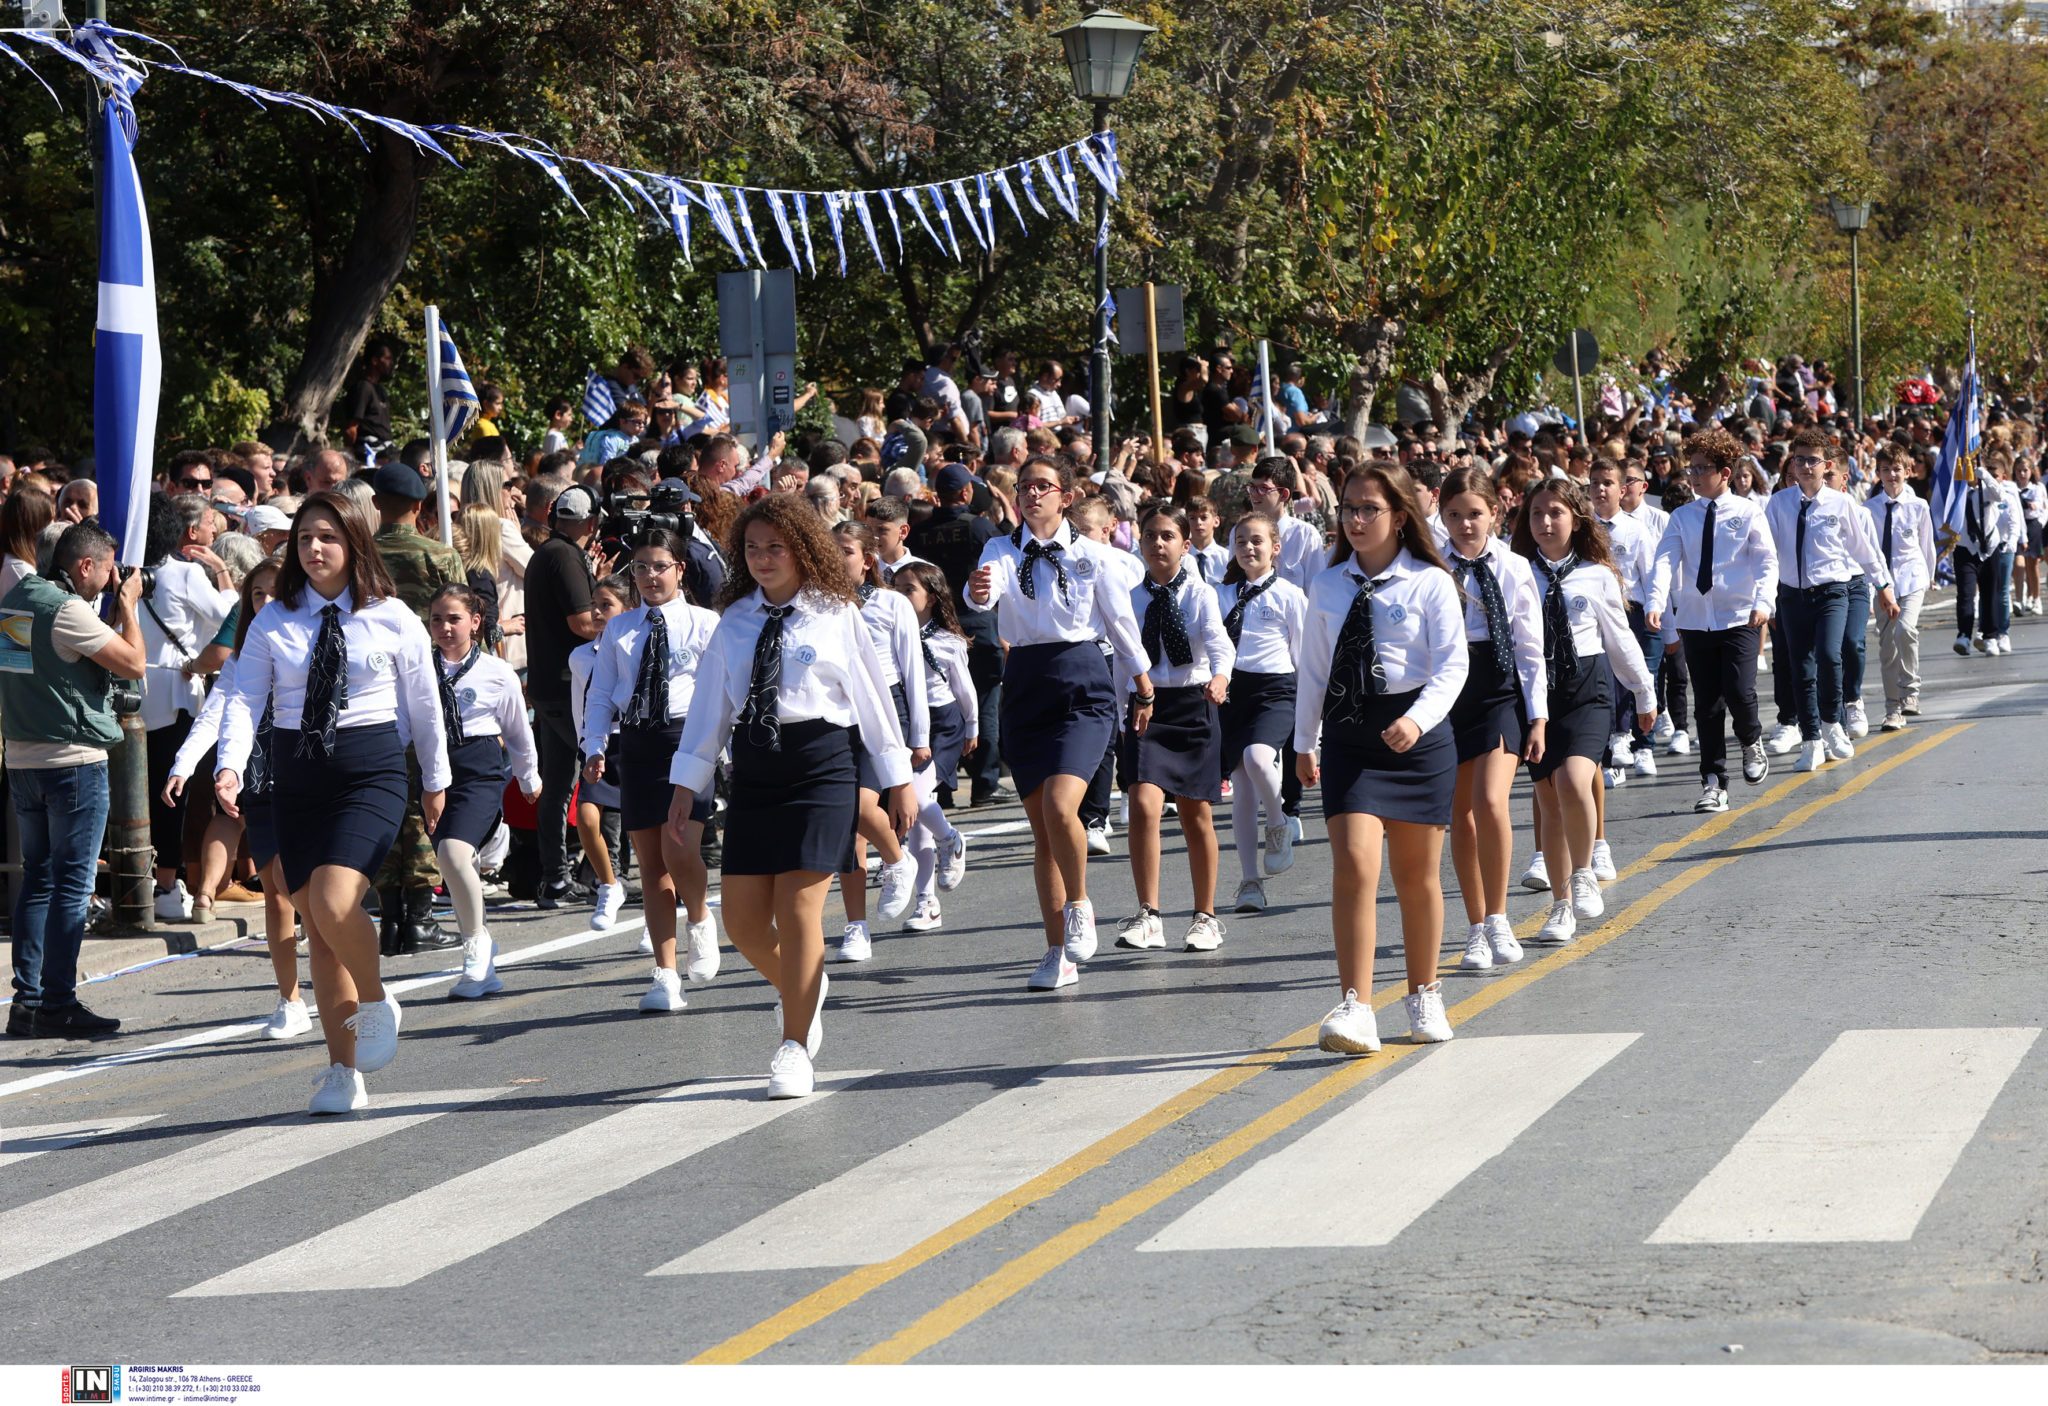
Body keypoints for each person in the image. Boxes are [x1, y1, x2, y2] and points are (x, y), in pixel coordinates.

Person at [666, 495, 915, 1098]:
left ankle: (795, 1045)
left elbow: (872, 698)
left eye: (776, 547)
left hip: (821, 766)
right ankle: (804, 985)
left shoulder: (837, 613)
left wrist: (898, 777)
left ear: (803, 550)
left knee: (799, 910)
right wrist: (685, 784)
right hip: (755, 770)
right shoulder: (734, 621)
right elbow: (709, 708)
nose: (763, 558)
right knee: (743, 921)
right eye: (752, 548)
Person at [216, 491, 451, 1114]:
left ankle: (374, 998)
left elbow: (424, 702)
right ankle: (342, 1072)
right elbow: (244, 699)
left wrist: (435, 779)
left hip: (370, 774)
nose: (314, 548)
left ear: (353, 543)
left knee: (332, 899)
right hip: (296, 779)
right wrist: (230, 765)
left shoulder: (392, 616)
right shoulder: (274, 620)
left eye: (327, 537)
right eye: (304, 538)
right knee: (319, 931)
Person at [1296, 463, 1466, 1051]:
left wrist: (1417, 719)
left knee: (1417, 878)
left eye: (1370, 508)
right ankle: (1356, 1006)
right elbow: (1313, 670)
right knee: (1354, 865)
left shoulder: (1430, 582)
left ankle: (1424, 994)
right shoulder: (1327, 585)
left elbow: (1452, 666)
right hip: (1349, 734)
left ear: (1399, 516)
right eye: (1349, 507)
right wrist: (1303, 741)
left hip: (1418, 734)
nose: (1356, 518)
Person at [969, 456, 1153, 990]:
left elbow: (1120, 624)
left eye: (1042, 486)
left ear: (1065, 496)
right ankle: (1057, 953)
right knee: (1043, 832)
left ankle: (1080, 903)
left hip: (1083, 682)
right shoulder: (1000, 549)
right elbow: (984, 590)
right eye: (1024, 486)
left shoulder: (1095, 556)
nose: (1031, 494)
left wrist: (1143, 687)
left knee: (1059, 806)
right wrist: (977, 592)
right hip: (1025, 683)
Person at [1, 522, 147, 1039]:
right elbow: (134, 663)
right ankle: (59, 1003)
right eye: (108, 570)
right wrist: (129, 607)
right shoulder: (66, 609)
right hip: (73, 763)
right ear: (85, 566)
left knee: (38, 879)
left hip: (23, 760)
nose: (112, 580)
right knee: (72, 885)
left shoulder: (16, 600)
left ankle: (28, 1001)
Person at [165, 559, 308, 1038]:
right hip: (258, 782)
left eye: (275, 592)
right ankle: (290, 1000)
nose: (265, 602)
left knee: (316, 895)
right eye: (257, 594)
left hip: (310, 782)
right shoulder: (240, 657)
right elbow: (214, 714)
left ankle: (357, 987)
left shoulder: (315, 642)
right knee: (277, 892)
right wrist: (183, 765)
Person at [1514, 477, 1656, 947]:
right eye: (1537, 513)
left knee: (1575, 781)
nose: (1546, 522)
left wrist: (1644, 692)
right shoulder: (1517, 573)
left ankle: (1583, 873)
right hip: (1536, 695)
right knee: (1549, 802)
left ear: (1576, 520)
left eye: (1556, 512)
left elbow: (1620, 638)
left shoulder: (1596, 574)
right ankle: (1560, 906)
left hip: (1587, 688)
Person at [583, 530, 722, 1009]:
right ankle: (665, 975)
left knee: (679, 849)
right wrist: (595, 746)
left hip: (688, 741)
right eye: (641, 567)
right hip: (637, 743)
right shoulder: (620, 629)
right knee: (651, 865)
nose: (650, 576)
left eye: (660, 565)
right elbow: (601, 693)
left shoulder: (705, 623)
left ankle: (700, 919)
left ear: (679, 569)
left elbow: (722, 690)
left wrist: (722, 748)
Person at [1438, 468, 1546, 971]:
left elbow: (1530, 647)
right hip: (1446, 690)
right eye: (1454, 515)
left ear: (1495, 514)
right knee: (1459, 812)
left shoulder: (1514, 565)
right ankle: (1476, 925)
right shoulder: (1429, 566)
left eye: (1475, 514)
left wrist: (1538, 717)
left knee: (1489, 801)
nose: (1465, 524)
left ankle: (1500, 916)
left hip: (1498, 688)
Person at [1114, 503, 1234, 953]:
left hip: (1194, 702)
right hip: (1146, 708)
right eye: (1149, 535)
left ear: (1185, 545)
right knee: (1144, 805)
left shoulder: (1200, 593)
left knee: (1194, 814)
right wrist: (1121, 713)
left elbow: (1219, 642)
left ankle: (1206, 916)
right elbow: (1122, 661)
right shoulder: (1130, 598)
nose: (1157, 543)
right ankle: (1149, 915)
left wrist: (1221, 678)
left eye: (1167, 536)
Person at [1646, 427, 1778, 815]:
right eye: (1692, 468)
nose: (1695, 475)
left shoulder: (1748, 512)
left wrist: (1763, 602)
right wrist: (1656, 601)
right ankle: (1714, 782)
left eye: (1703, 468)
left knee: (1739, 691)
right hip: (1696, 620)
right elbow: (1665, 560)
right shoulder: (1682, 517)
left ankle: (1751, 740)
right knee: (1706, 704)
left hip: (1740, 617)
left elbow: (1767, 561)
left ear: (1725, 473)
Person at [369, 462, 466, 952]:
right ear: (420, 506)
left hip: (373, 693)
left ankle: (390, 918)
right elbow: (463, 623)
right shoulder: (440, 556)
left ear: (375, 504)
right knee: (428, 795)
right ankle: (422, 918)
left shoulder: (360, 557)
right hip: (426, 687)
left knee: (382, 800)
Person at [427, 584, 541, 1000]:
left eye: (454, 618)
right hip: (434, 772)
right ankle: (483, 970)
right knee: (457, 866)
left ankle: (475, 943)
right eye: (436, 619)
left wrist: (528, 777)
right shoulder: (420, 670)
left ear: (475, 623)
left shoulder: (497, 672)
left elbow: (518, 730)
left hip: (479, 769)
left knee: (453, 853)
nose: (445, 627)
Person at [1763, 429, 1897, 773]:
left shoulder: (1841, 503)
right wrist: (1763, 598)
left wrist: (1882, 585)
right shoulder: (1779, 503)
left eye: (1813, 460)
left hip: (1832, 591)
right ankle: (1811, 740)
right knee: (1801, 667)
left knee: (1828, 654)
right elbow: (1765, 554)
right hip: (1792, 595)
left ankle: (1832, 722)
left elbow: (1863, 549)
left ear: (1826, 466)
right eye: (1800, 460)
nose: (1806, 467)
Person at [831, 522, 926, 962]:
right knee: (846, 824)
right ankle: (856, 926)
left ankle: (896, 858)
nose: (837, 559)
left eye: (846, 551)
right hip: (839, 713)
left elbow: (912, 673)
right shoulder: (820, 604)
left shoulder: (891, 603)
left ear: (867, 559)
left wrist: (919, 736)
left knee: (858, 804)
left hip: (886, 710)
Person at [1215, 513, 1308, 914]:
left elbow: (1304, 658)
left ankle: (1278, 821)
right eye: (1241, 541)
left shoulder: (1289, 595)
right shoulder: (1220, 595)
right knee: (1241, 787)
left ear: (1275, 548)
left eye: (1257, 540)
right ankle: (1250, 881)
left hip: (1276, 690)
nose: (1249, 548)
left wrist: (1311, 723)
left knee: (1257, 759)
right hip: (1232, 693)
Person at [526, 484, 606, 909]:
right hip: (566, 688)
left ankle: (556, 879)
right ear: (590, 522)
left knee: (557, 785)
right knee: (599, 775)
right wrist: (620, 621)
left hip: (552, 686)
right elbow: (582, 623)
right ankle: (597, 873)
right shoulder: (562, 555)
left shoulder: (550, 552)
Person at [906, 464, 1004, 805]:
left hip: (934, 627)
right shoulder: (980, 526)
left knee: (939, 706)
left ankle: (941, 786)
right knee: (984, 702)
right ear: (965, 492)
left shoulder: (920, 532)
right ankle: (985, 784)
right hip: (978, 624)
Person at [889, 561, 978, 932]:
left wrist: (972, 726)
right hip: (907, 723)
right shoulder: (891, 635)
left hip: (943, 726)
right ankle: (927, 902)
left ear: (932, 597)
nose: (900, 595)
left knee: (914, 797)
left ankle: (950, 838)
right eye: (895, 588)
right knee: (914, 817)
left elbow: (964, 690)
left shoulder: (948, 641)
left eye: (909, 589)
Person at [569, 572, 636, 935]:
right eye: (593, 605)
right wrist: (587, 745)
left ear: (628, 609)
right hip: (600, 745)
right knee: (587, 817)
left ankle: (659, 906)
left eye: (605, 605)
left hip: (636, 742)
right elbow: (580, 707)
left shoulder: (639, 646)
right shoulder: (581, 657)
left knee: (646, 831)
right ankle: (609, 885)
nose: (596, 612)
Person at [1864, 448, 1936, 730]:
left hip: (1913, 578)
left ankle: (1911, 689)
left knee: (1905, 629)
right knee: (1888, 647)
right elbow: (1867, 550)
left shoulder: (1918, 506)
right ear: (1878, 473)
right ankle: (1893, 709)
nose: (1891, 475)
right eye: (1885, 469)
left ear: (1907, 472)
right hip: (1884, 585)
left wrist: (1929, 576)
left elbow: (1926, 544)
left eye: (1897, 469)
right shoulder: (1869, 509)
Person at [341, 336, 399, 459]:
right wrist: (350, 455)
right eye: (387, 358)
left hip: (387, 449)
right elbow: (351, 427)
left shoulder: (380, 390)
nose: (391, 363)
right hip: (370, 452)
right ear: (374, 361)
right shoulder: (363, 388)